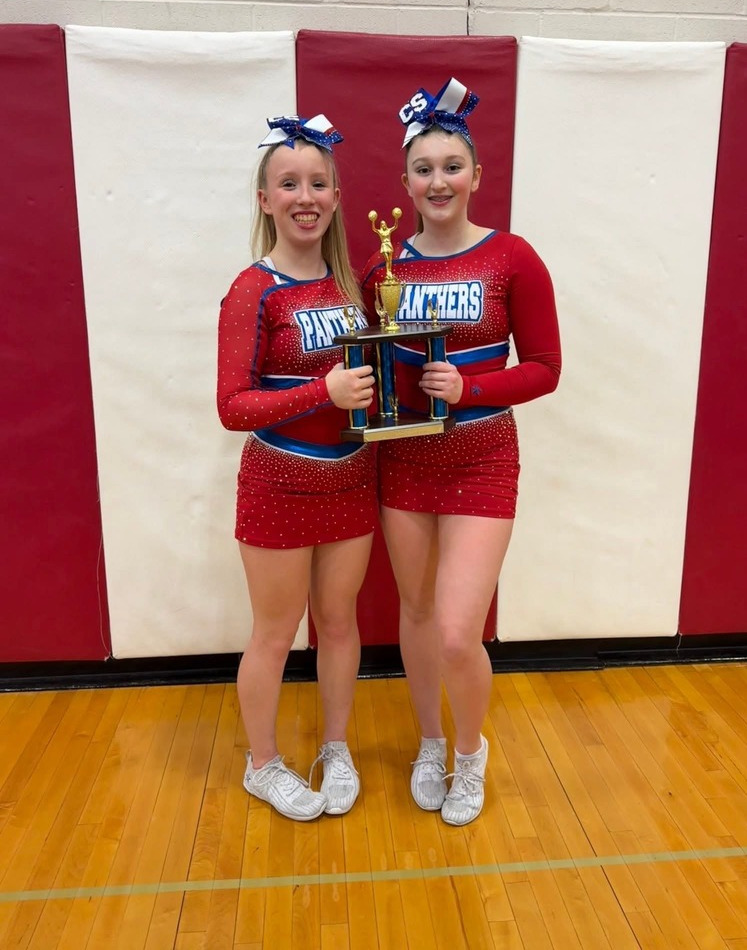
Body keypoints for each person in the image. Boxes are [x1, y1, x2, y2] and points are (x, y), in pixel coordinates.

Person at [361, 78, 562, 826]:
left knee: (455, 628)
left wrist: (470, 390)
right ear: (405, 181)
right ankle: (430, 740)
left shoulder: (513, 257)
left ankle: (471, 755)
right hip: (405, 459)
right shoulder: (384, 269)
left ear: (476, 175)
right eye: (424, 168)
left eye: (452, 166)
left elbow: (545, 367)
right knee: (415, 611)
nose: (437, 180)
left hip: (482, 453)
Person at [217, 114, 376, 821]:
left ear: (337, 196)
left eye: (317, 183)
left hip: (349, 478)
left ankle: (335, 747)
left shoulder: (356, 285)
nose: (304, 196)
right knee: (276, 635)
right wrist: (322, 392)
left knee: (338, 624)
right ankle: (262, 765)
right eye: (289, 184)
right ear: (265, 199)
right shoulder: (254, 289)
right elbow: (231, 405)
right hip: (279, 480)